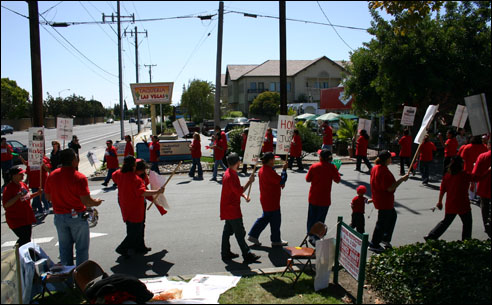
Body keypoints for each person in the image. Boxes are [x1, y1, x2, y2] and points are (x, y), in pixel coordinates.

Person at [45, 148, 103, 266]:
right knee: (81, 249)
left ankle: (68, 276)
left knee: (64, 248)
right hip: (77, 216)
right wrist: (96, 202)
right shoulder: (79, 177)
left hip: (59, 217)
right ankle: (81, 277)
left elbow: (48, 198)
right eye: (76, 158)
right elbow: (86, 201)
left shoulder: (52, 175)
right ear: (73, 161)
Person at [112, 156, 166, 257]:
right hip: (135, 205)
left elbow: (114, 176)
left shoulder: (119, 174)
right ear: (134, 167)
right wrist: (157, 191)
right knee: (136, 228)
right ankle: (124, 247)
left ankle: (138, 246)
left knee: (134, 226)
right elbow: (142, 192)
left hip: (124, 202)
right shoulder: (135, 179)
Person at [220, 153, 260, 263]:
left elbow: (235, 191)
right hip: (232, 209)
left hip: (228, 207)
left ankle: (225, 252)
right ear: (238, 163)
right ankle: (247, 254)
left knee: (227, 231)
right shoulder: (231, 176)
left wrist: (244, 195)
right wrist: (249, 181)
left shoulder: (229, 173)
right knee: (239, 232)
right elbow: (238, 190)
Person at [369, 151, 409, 253]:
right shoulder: (383, 171)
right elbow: (390, 188)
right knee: (382, 222)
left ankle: (385, 238)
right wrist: (401, 180)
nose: (391, 159)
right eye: (390, 158)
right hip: (384, 200)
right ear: (387, 159)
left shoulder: (375, 168)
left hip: (379, 198)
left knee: (392, 216)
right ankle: (374, 243)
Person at [424, 156, 473, 241]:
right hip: (463, 203)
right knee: (467, 222)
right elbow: (478, 178)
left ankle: (432, 236)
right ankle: (466, 240)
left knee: (446, 221)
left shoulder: (447, 176)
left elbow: (442, 189)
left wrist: (440, 201)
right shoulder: (464, 175)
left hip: (451, 203)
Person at [247, 153, 289, 247]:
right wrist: (284, 170)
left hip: (267, 198)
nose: (274, 161)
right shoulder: (268, 171)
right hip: (271, 199)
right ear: (270, 160)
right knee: (275, 220)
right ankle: (275, 240)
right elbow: (281, 180)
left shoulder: (263, 169)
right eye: (273, 159)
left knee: (267, 218)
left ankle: (254, 235)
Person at [305, 149, 341, 245]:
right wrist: (336, 170)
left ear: (320, 157)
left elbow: (308, 179)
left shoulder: (314, 166)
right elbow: (337, 180)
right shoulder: (332, 167)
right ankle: (316, 236)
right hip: (324, 199)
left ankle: (310, 234)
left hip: (313, 197)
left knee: (311, 217)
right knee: (320, 219)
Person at [2, 167, 42, 246]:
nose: (23, 175)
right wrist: (17, 197)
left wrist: (37, 193)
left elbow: (27, 197)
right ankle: (18, 253)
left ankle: (22, 254)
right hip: (16, 220)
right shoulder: (8, 189)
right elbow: (6, 205)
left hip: (26, 217)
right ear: (13, 176)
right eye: (20, 174)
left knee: (27, 239)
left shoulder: (23, 185)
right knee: (24, 239)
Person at [472, 140, 491, 238]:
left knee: (484, 206)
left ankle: (486, 224)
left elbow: (475, 174)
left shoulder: (482, 156)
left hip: (484, 185)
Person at [460, 135, 487, 200]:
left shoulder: (467, 147)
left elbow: (462, 158)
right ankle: (478, 194)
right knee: (478, 181)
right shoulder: (484, 147)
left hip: (468, 167)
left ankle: (471, 195)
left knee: (470, 182)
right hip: (479, 168)